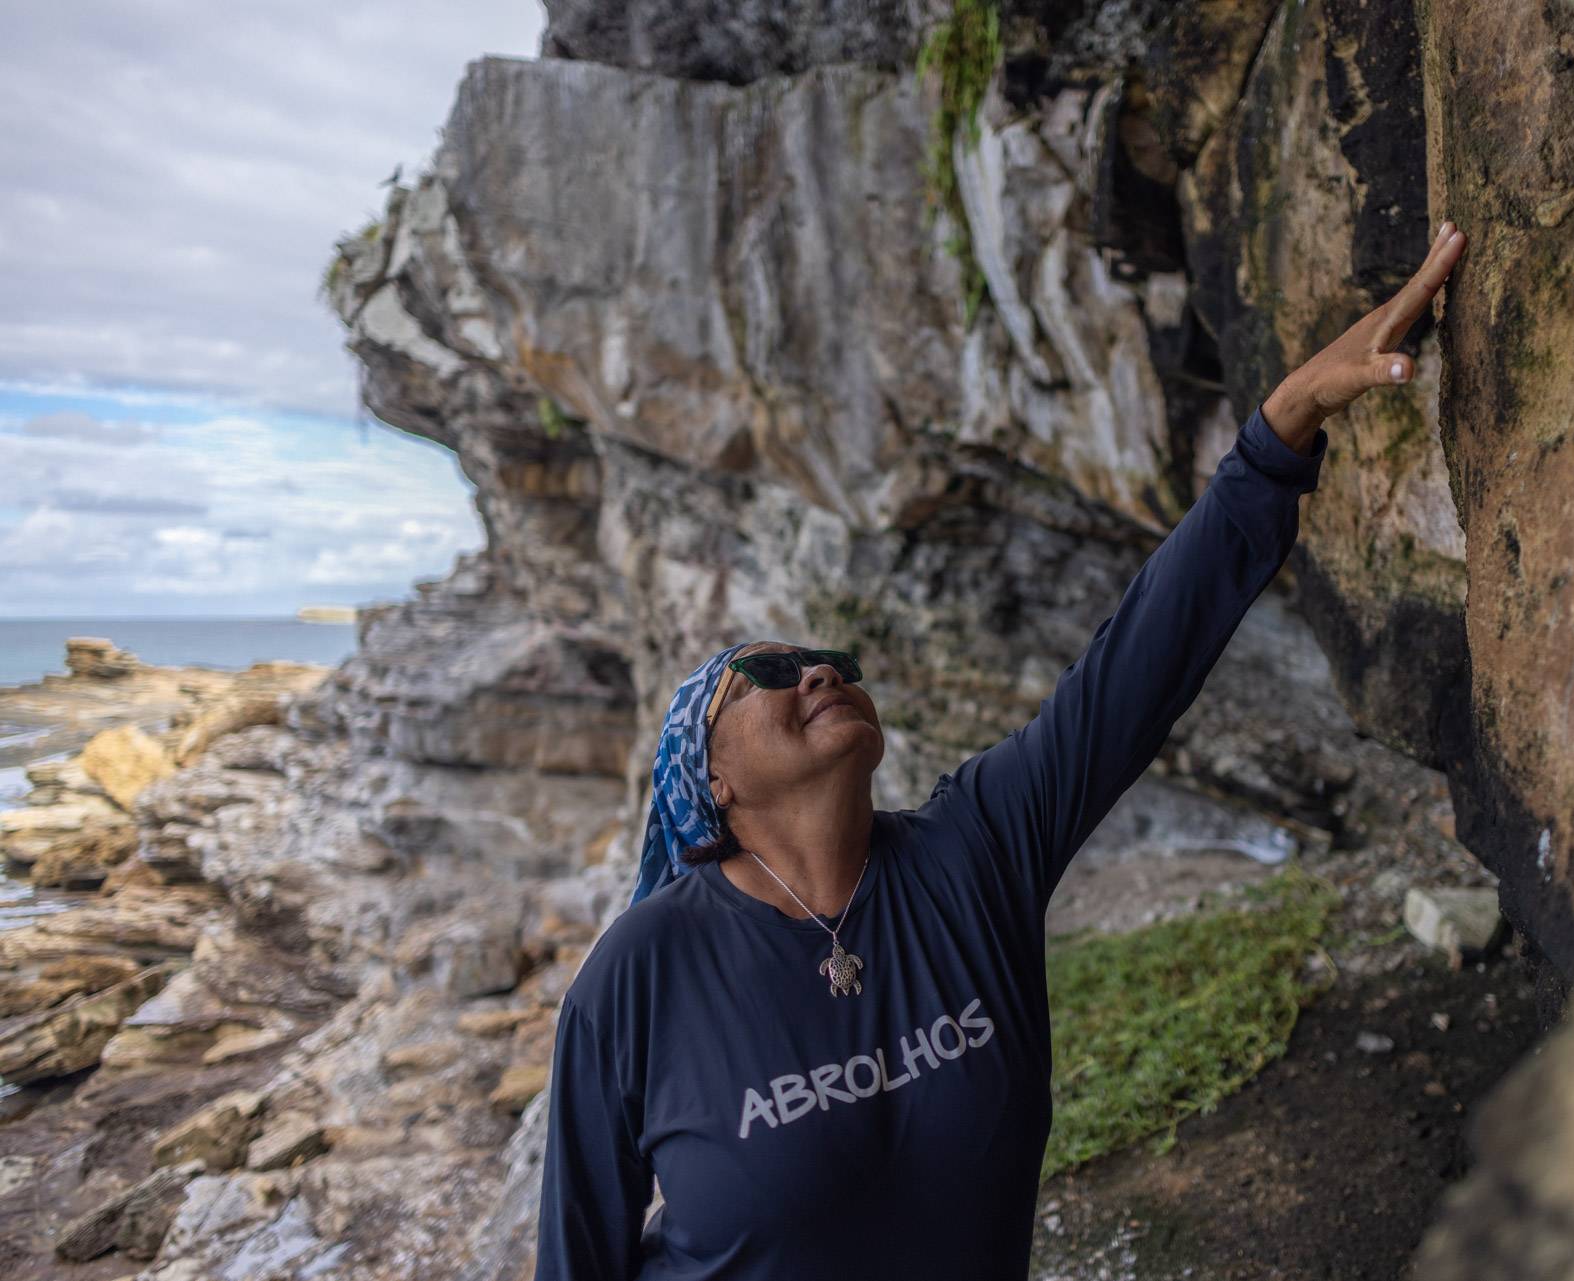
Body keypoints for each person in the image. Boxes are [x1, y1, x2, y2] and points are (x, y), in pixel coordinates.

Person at [534, 222, 1468, 1280]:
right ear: (710, 778)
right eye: (767, 671)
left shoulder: (972, 855)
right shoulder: (639, 977)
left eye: (827, 656)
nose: (816, 671)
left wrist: (1282, 429)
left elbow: (1132, 673)